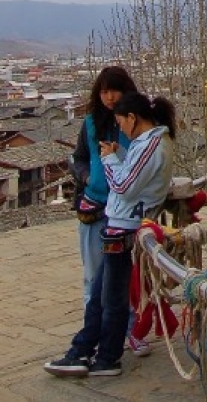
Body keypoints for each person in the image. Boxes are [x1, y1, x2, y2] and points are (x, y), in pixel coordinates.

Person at [45, 92, 176, 379]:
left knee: (109, 299)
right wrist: (119, 155)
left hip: (125, 226)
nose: (120, 127)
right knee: (102, 296)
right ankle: (83, 351)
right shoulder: (149, 143)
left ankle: (103, 356)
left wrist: (108, 160)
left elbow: (125, 186)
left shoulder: (152, 145)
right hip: (121, 224)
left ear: (132, 118)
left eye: (121, 121)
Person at [70, 65, 137, 305]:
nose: (109, 98)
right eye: (104, 92)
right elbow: (78, 158)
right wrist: (88, 177)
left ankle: (127, 327)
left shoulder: (134, 124)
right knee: (93, 273)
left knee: (125, 275)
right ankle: (93, 328)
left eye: (115, 91)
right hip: (95, 206)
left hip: (126, 208)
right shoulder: (90, 124)